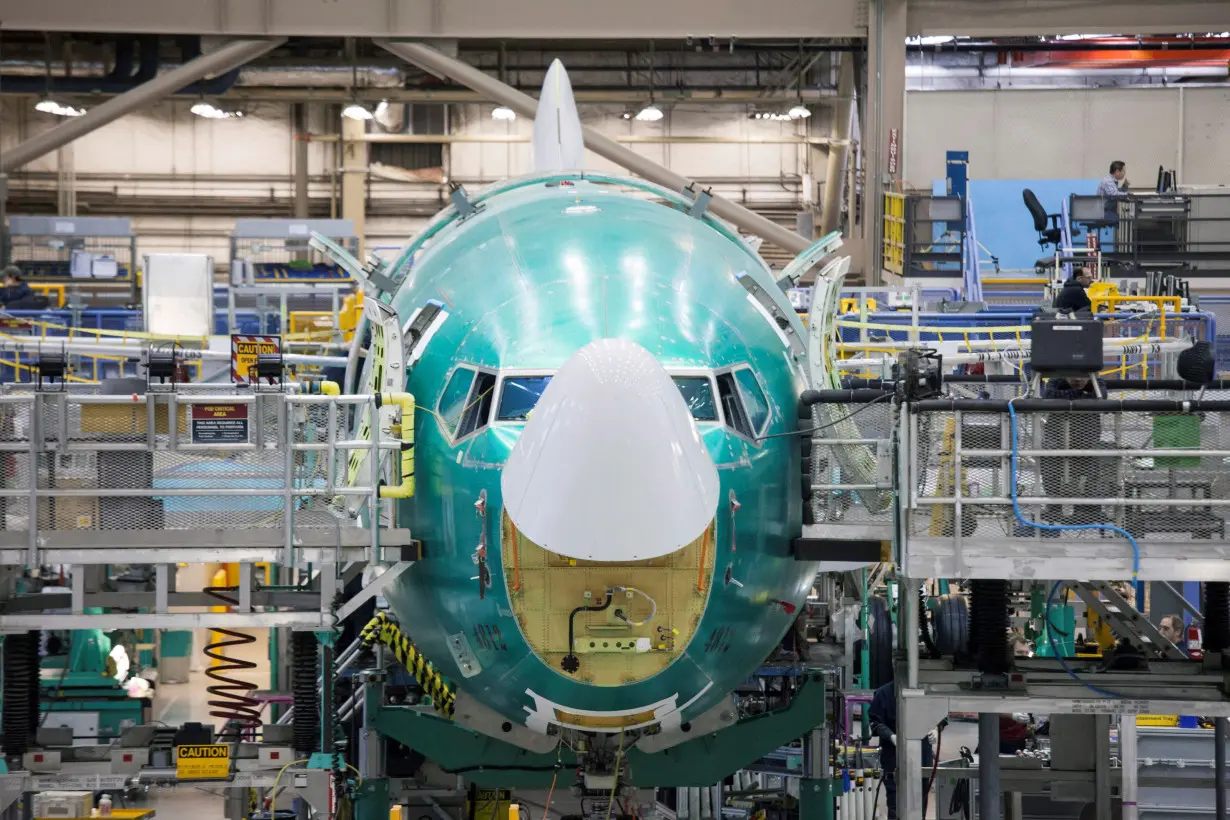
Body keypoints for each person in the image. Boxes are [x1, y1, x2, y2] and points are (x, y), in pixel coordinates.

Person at [1040, 375, 1117, 527]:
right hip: (1057, 438)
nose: (1078, 379)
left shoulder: (1097, 382)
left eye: (1084, 376)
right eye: (1074, 376)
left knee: (1092, 470)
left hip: (1087, 440)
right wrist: (1081, 396)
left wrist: (1067, 398)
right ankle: (1054, 508)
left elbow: (1101, 397)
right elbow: (1048, 396)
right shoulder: (1056, 380)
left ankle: (1087, 510)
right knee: (1049, 466)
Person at [869, 681, 935, 820]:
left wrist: (935, 728)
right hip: (893, 757)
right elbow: (875, 722)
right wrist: (890, 736)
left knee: (920, 799)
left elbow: (940, 713)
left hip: (922, 756)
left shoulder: (927, 690)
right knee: (895, 802)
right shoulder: (883, 693)